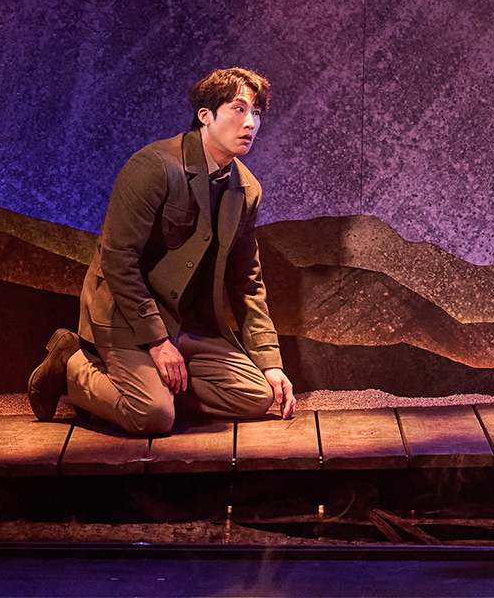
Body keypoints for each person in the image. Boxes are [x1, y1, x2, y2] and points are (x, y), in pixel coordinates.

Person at [28, 67, 295, 435]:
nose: (250, 122)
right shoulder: (154, 166)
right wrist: (156, 341)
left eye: (256, 112)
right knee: (152, 417)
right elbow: (118, 258)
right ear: (206, 116)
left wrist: (270, 363)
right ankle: (71, 362)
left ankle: (154, 390)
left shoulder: (247, 190)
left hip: (184, 323)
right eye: (239, 109)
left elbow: (246, 283)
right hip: (125, 316)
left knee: (256, 396)